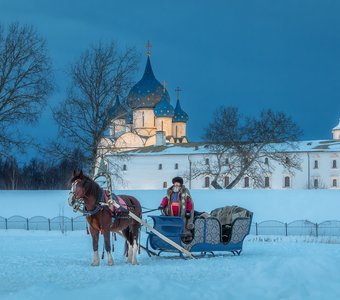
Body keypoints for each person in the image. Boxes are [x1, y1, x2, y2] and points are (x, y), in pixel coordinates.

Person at [158, 176, 194, 241]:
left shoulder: (185, 191)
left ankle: (185, 235)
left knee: (183, 222)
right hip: (171, 211)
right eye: (175, 183)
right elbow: (166, 199)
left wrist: (188, 210)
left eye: (178, 183)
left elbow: (189, 201)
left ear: (180, 184)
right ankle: (172, 235)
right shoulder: (170, 191)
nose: (176, 184)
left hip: (181, 211)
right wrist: (162, 205)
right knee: (172, 222)